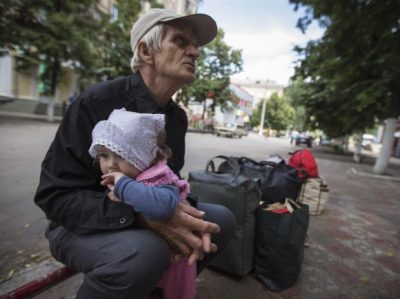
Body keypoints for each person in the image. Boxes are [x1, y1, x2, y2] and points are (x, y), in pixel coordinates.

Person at [34, 8, 236, 299]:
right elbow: (54, 196)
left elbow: (167, 178)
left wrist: (179, 208)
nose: (194, 52)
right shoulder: (96, 102)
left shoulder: (175, 118)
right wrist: (140, 214)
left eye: (196, 46)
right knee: (145, 253)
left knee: (220, 221)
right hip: (76, 227)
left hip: (144, 212)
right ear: (145, 51)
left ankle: (157, 290)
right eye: (181, 41)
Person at [90, 108, 197, 299]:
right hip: (144, 260)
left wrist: (124, 186)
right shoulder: (129, 177)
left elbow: (163, 206)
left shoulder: (159, 178)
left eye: (122, 155)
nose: (111, 165)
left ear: (144, 156)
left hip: (172, 266)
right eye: (104, 155)